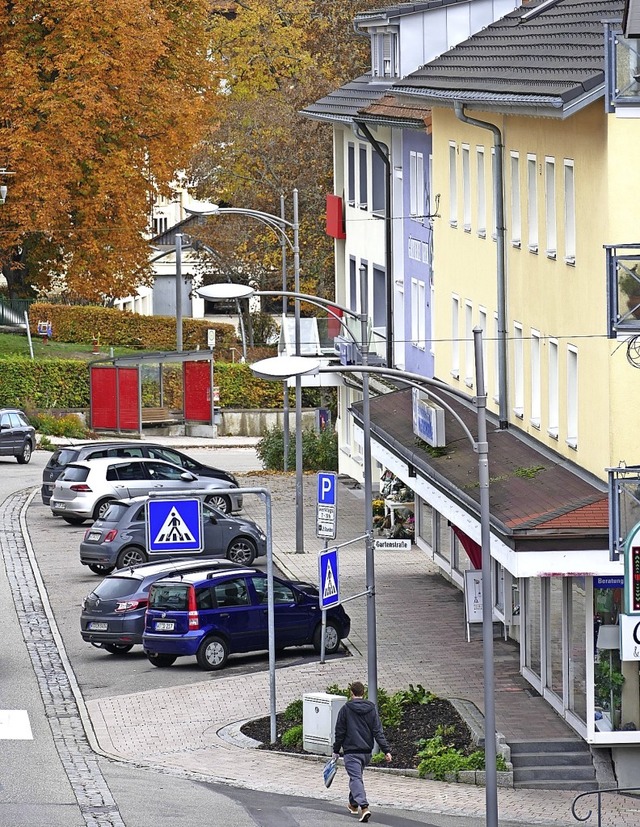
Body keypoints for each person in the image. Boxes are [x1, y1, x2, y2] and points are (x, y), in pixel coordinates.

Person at [332, 681, 392, 823]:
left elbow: (339, 732)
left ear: (351, 693)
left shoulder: (346, 709)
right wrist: (386, 750)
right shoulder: (371, 709)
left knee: (355, 778)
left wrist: (336, 750)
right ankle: (353, 805)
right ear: (363, 693)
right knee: (356, 776)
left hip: (351, 751)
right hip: (366, 752)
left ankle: (364, 807)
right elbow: (378, 731)